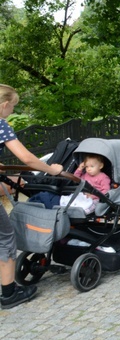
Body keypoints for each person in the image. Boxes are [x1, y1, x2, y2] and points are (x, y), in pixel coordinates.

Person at [0, 84, 64, 309]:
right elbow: (27, 158)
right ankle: (8, 294)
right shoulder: (1, 125)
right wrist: (52, 170)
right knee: (5, 237)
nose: (11, 112)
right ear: (5, 104)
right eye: (13, 107)